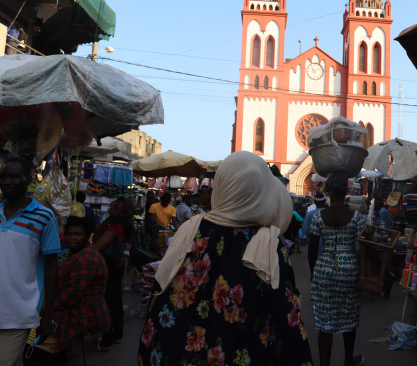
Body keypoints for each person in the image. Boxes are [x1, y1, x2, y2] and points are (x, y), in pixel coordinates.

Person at [138, 151, 312, 365]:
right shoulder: (265, 243)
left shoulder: (190, 229)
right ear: (261, 190)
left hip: (177, 350)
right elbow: (286, 320)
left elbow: (163, 286)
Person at [25, 216, 110, 365]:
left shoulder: (86, 259)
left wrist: (45, 309)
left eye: (78, 235)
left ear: (87, 236)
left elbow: (70, 296)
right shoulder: (79, 253)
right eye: (69, 234)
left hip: (82, 311)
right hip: (75, 305)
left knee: (33, 331)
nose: (72, 238)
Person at [0, 158, 60, 366]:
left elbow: (52, 265)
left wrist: (49, 313)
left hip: (20, 311)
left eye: (14, 177)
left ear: (28, 180)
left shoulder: (44, 217)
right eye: (3, 177)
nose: (7, 181)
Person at [308, 173, 365, 366]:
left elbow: (312, 249)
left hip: (323, 268)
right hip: (349, 269)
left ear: (328, 192)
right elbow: (362, 248)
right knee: (349, 318)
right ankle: (348, 361)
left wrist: (313, 274)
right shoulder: (356, 217)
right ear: (347, 192)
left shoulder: (318, 217)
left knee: (325, 324)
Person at [92, 197, 135, 351]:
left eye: (116, 207)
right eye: (113, 205)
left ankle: (105, 342)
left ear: (123, 213)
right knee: (116, 302)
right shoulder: (122, 226)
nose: (112, 208)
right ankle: (117, 336)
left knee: (108, 304)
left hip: (108, 268)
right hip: (117, 266)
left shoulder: (112, 229)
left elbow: (95, 248)